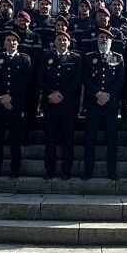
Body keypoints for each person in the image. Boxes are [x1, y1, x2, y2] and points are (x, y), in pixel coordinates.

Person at [39, 32, 84, 179]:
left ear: (69, 42)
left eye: (65, 39)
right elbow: (40, 78)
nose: (62, 42)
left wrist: (62, 94)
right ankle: (49, 170)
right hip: (50, 103)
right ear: (54, 42)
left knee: (67, 140)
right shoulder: (46, 57)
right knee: (50, 139)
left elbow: (77, 81)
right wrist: (50, 94)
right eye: (59, 39)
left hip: (68, 105)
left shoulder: (76, 58)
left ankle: (66, 171)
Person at [82, 30, 126, 180]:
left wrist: (108, 95)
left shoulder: (118, 58)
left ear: (111, 41)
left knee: (112, 140)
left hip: (111, 104)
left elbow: (120, 80)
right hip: (93, 103)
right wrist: (97, 94)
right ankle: (88, 171)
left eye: (107, 38)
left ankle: (112, 172)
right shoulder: (89, 57)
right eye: (101, 37)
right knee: (90, 139)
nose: (104, 39)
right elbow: (85, 78)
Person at [0, 33, 32, 178]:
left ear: (18, 44)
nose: (12, 42)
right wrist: (2, 98)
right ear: (4, 43)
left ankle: (15, 169)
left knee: (15, 139)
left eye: (14, 40)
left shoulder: (24, 59)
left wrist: (11, 97)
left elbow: (26, 82)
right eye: (9, 40)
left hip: (16, 105)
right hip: (0, 104)